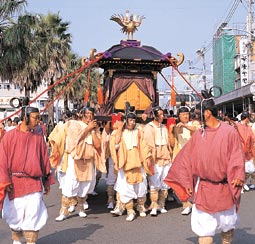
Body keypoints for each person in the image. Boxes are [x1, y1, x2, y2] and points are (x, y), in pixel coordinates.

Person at [164, 96, 245, 244]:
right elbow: (186, 160)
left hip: (225, 188)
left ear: (207, 113)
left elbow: (237, 156)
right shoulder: (198, 135)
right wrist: (187, 182)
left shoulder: (229, 132)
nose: (194, 116)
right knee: (204, 230)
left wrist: (238, 175)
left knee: (227, 228)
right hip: (204, 189)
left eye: (197, 112)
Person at [0, 106, 55, 244]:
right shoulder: (9, 136)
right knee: (15, 214)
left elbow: (44, 159)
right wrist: (4, 181)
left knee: (33, 213)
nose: (38, 121)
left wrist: (47, 180)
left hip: (34, 182)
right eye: (35, 117)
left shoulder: (38, 136)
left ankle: (31, 242)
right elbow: (2, 160)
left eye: (38, 117)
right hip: (14, 183)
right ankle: (17, 240)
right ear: (25, 118)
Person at [54, 107, 105, 221]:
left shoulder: (95, 129)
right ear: (81, 114)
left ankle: (81, 208)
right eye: (87, 113)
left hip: (88, 160)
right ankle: (64, 211)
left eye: (91, 114)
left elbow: (97, 145)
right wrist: (88, 128)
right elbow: (75, 139)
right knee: (71, 184)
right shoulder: (74, 124)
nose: (89, 116)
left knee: (85, 185)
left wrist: (92, 131)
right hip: (75, 159)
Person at [110, 112, 147, 221]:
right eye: (130, 120)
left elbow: (144, 145)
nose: (132, 123)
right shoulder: (120, 132)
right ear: (126, 120)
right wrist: (120, 129)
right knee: (125, 188)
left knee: (141, 186)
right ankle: (130, 210)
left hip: (138, 163)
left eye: (134, 120)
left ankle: (141, 206)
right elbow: (115, 145)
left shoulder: (139, 131)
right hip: (125, 164)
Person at [169, 106, 200, 215]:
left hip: (193, 156)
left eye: (187, 114)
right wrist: (171, 131)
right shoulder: (177, 126)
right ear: (179, 116)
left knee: (194, 180)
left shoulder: (193, 123)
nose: (186, 116)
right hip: (181, 156)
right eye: (183, 115)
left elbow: (196, 129)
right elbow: (172, 143)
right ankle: (185, 203)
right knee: (183, 180)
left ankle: (195, 201)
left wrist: (185, 126)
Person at [142, 106, 172, 216]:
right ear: (155, 115)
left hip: (166, 158)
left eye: (163, 114)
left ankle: (161, 204)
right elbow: (148, 145)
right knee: (154, 183)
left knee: (164, 183)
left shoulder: (164, 127)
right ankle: (154, 205)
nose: (163, 116)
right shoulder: (148, 127)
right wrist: (150, 158)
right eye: (160, 114)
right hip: (155, 159)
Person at [236, 111, 255, 192]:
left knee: (250, 170)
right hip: (239, 152)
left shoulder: (248, 128)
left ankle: (243, 184)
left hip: (248, 152)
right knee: (241, 170)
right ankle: (240, 185)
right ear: (246, 118)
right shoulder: (237, 127)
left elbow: (252, 139)